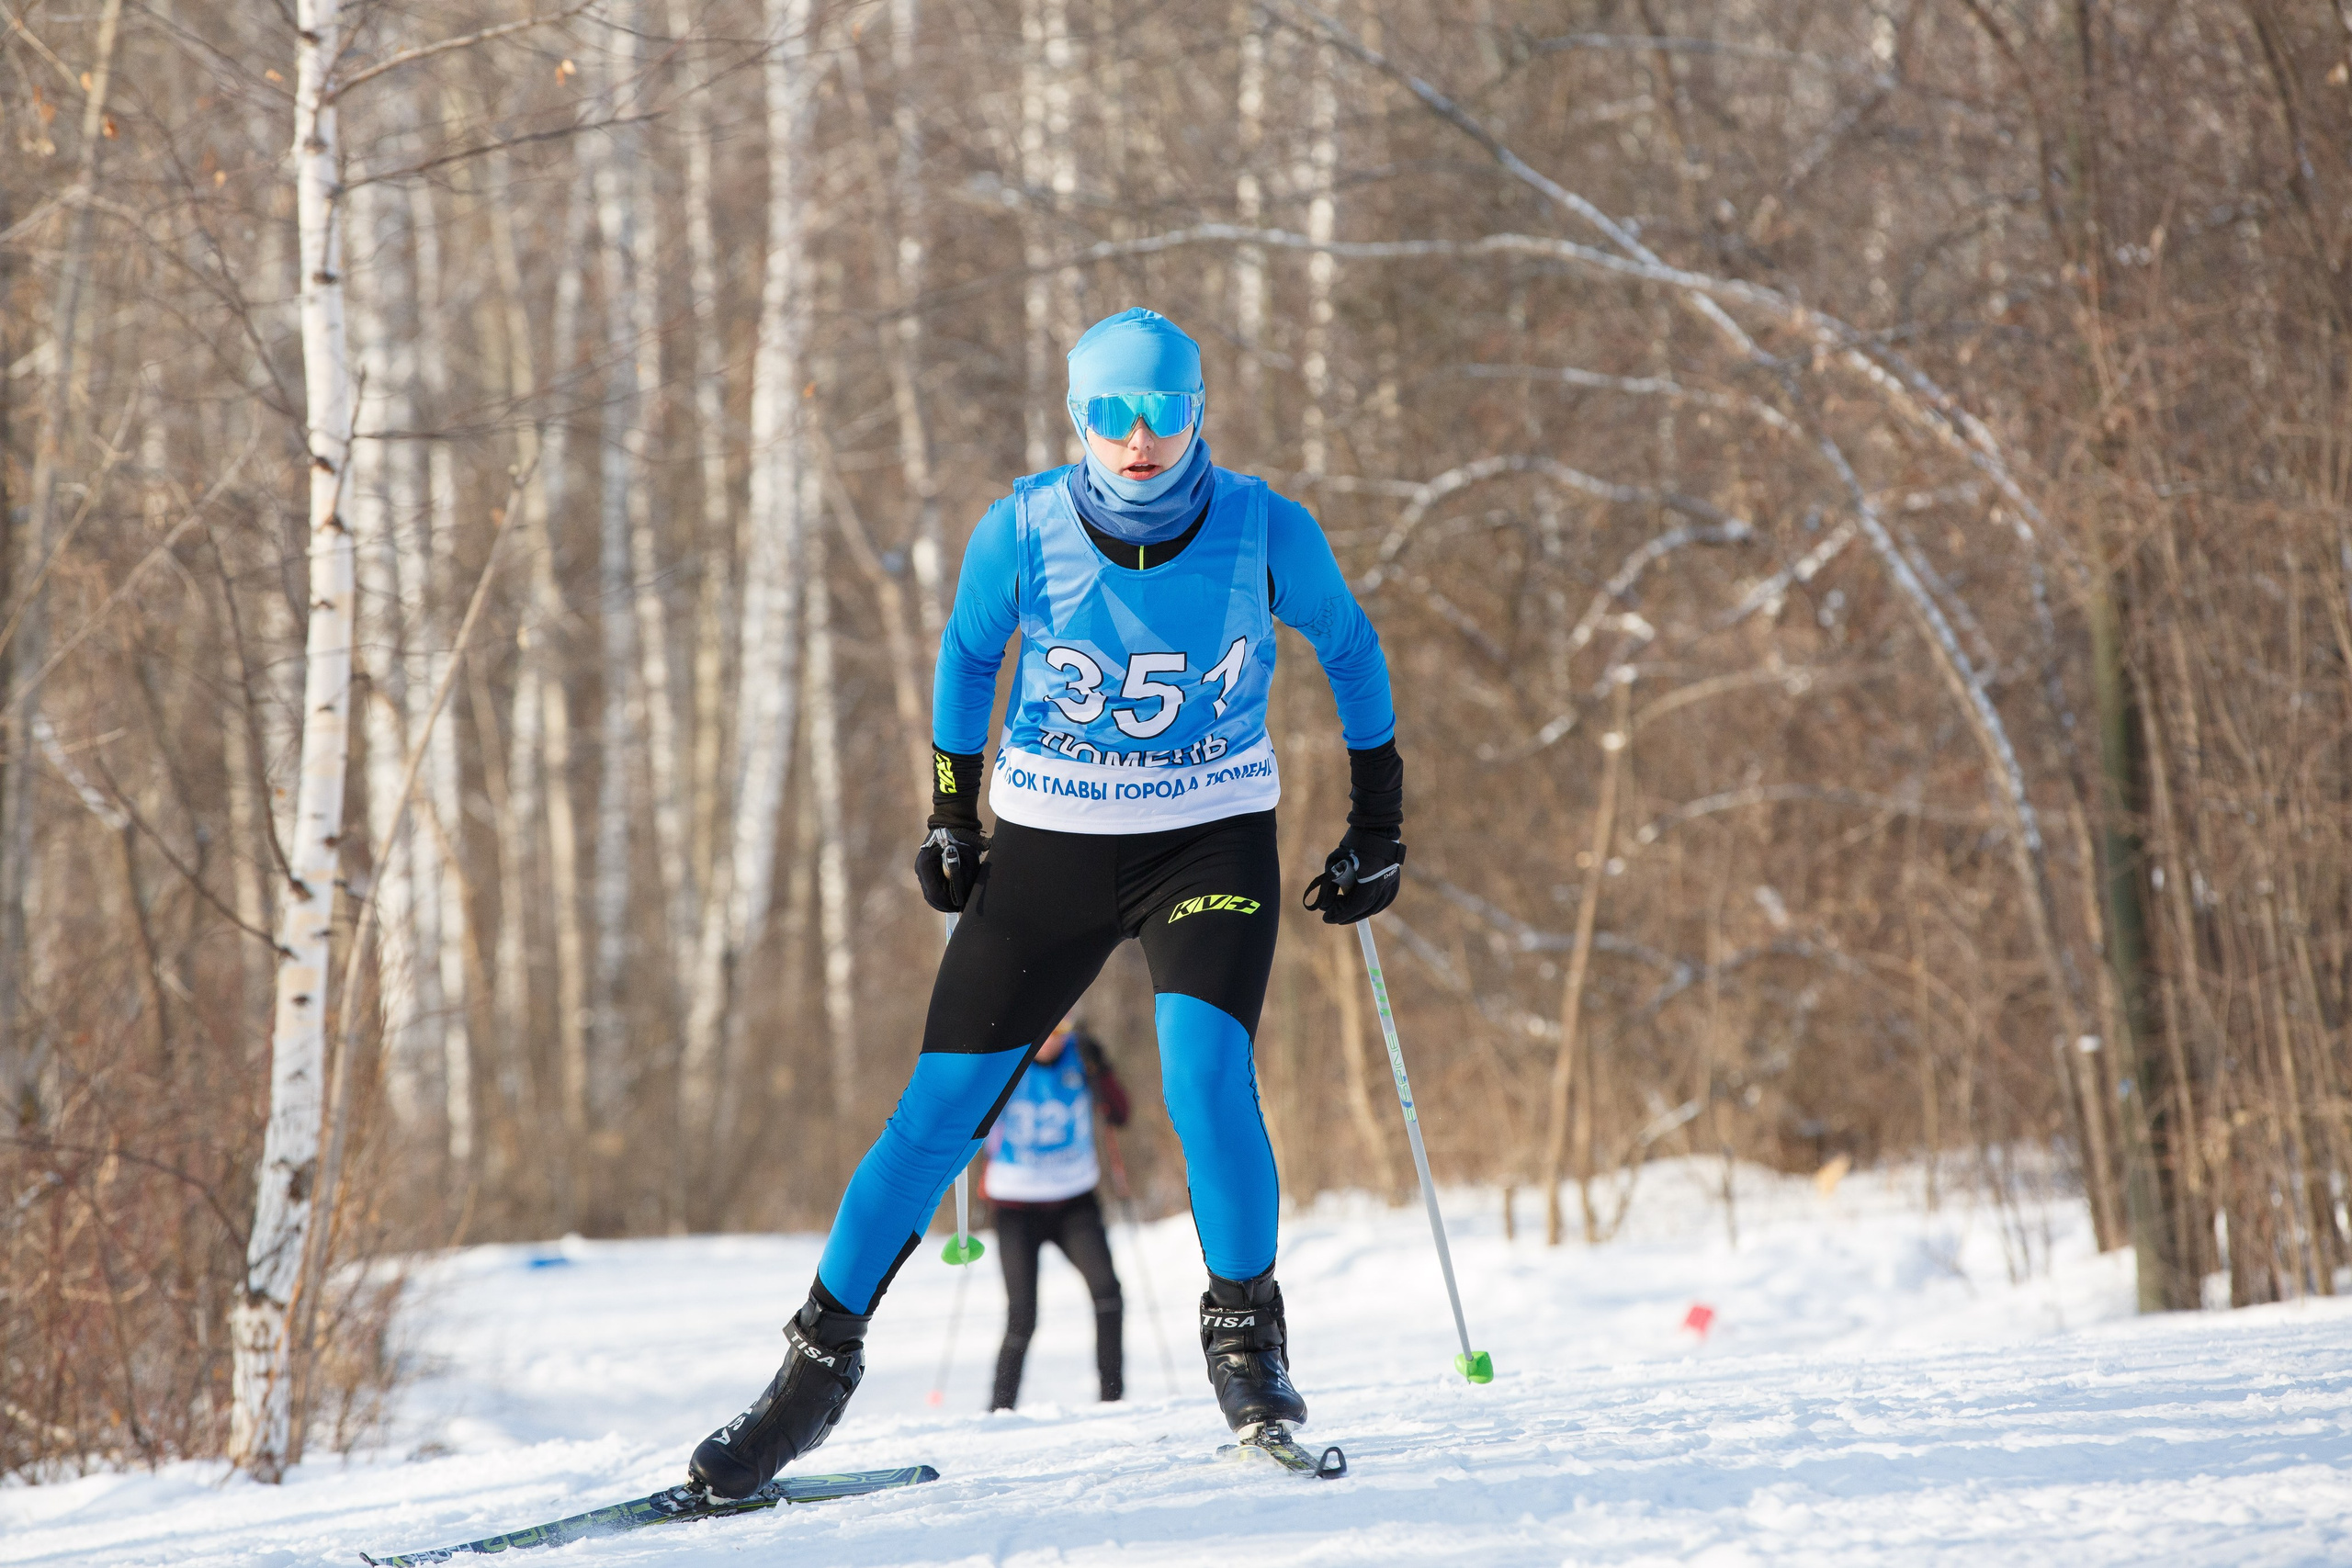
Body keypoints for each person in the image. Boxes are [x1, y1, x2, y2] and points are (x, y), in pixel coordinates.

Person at [686, 307, 1404, 1498]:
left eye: (1163, 411)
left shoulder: (1266, 528)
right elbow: (971, 658)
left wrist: (1377, 823)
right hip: (1053, 844)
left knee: (1202, 1075)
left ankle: (1248, 1347)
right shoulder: (1017, 532)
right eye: (1111, 413)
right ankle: (808, 1379)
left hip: (1207, 835)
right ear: (1077, 417)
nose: (1137, 437)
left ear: (1198, 411)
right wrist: (951, 812)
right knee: (939, 1113)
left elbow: (1354, 649)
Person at [981, 1012, 1131, 1410]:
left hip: (1074, 1200)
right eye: (1045, 1030)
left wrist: (1104, 1071)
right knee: (1023, 1315)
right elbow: (971, 1119)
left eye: (1061, 1030)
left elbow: (1120, 1114)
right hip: (1016, 1203)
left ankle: (1112, 1400)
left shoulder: (1081, 1057)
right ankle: (1000, 1410)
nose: (1052, 1039)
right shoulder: (1009, 1059)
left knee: (1108, 1294)